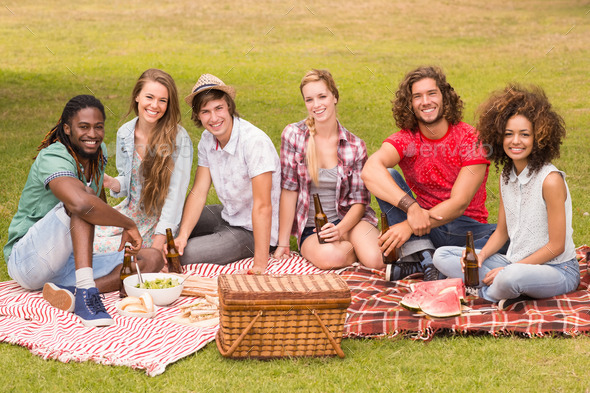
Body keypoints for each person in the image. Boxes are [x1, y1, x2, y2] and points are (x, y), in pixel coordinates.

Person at [3, 95, 163, 327]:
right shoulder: (54, 155)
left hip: (66, 265)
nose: (93, 134)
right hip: (28, 262)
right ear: (67, 129)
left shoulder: (98, 153)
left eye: (99, 127)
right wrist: (128, 224)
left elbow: (99, 203)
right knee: (80, 202)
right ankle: (87, 294)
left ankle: (73, 292)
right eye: (84, 127)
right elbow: (82, 204)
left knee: (151, 258)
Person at [432, 85, 579, 309]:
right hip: (511, 261)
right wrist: (479, 259)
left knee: (510, 278)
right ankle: (501, 290)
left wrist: (509, 269)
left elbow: (556, 246)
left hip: (557, 269)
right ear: (499, 136)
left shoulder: (550, 180)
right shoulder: (506, 176)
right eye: (509, 134)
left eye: (524, 134)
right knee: (442, 255)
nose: (515, 141)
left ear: (539, 137)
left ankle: (486, 293)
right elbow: (502, 232)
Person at [361, 66, 497, 282]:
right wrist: (412, 208)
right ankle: (428, 258)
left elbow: (459, 203)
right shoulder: (407, 138)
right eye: (417, 96)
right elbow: (370, 170)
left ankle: (418, 260)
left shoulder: (470, 138)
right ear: (410, 104)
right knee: (387, 174)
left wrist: (407, 225)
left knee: (507, 238)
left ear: (444, 97)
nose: (425, 101)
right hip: (424, 228)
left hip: (465, 228)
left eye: (431, 93)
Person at [273, 69, 382, 270]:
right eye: (309, 100)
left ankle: (357, 247)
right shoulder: (293, 135)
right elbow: (289, 190)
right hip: (313, 229)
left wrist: (340, 230)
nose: (316, 105)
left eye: (322, 96)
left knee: (377, 260)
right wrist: (283, 243)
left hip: (349, 223)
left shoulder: (355, 146)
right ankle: (354, 250)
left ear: (335, 97)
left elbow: (359, 202)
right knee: (332, 258)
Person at [173, 74, 281, 273]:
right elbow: (198, 192)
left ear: (229, 106)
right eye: (205, 111)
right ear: (197, 115)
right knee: (171, 225)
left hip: (252, 230)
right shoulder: (207, 139)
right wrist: (182, 235)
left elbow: (263, 206)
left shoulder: (254, 142)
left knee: (184, 256)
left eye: (218, 108)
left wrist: (259, 265)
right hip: (229, 214)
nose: (214, 118)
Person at [94, 69, 192, 259]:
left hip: (160, 220)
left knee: (113, 252)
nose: (155, 105)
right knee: (82, 237)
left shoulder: (178, 139)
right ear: (137, 96)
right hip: (130, 215)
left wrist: (157, 245)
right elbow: (128, 183)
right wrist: (110, 182)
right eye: (149, 97)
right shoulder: (125, 132)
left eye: (162, 100)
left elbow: (175, 196)